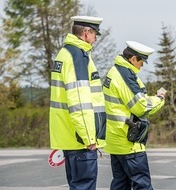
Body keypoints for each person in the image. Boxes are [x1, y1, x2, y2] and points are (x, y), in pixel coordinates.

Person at [49, 16, 106, 190]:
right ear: (86, 33)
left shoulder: (65, 53)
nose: (95, 38)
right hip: (81, 139)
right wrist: (89, 137)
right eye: (95, 33)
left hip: (70, 136)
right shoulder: (77, 56)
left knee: (77, 185)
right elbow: (79, 101)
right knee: (84, 186)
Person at [102, 41, 166, 190]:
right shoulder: (125, 75)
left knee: (120, 184)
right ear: (133, 59)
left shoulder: (115, 71)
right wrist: (160, 99)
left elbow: (133, 101)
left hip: (116, 140)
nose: (142, 66)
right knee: (142, 185)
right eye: (141, 61)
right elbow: (141, 108)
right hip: (129, 141)